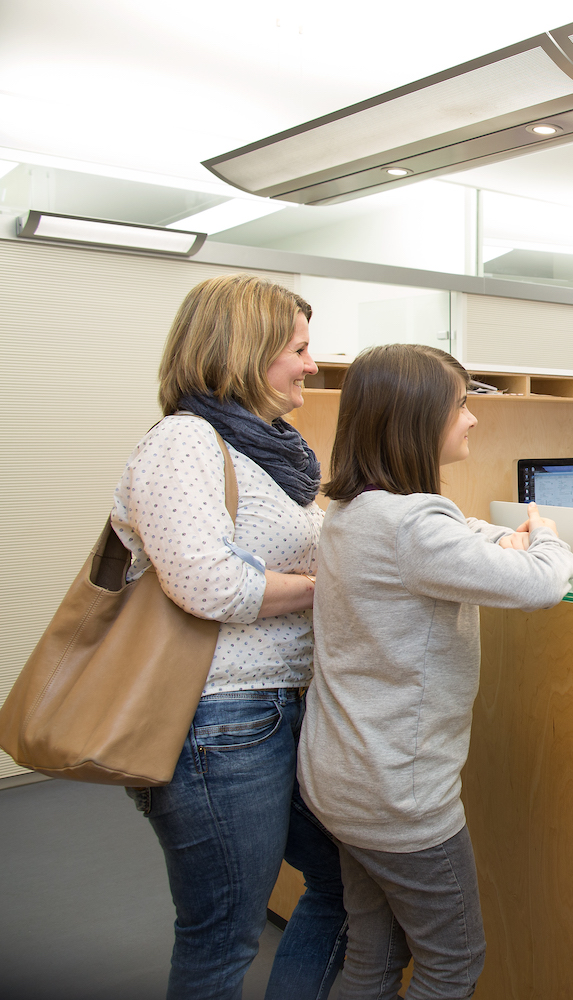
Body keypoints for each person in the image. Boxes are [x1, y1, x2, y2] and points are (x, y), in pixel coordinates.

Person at [299, 343, 573, 999]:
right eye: (460, 405)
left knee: (373, 956)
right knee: (452, 964)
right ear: (417, 418)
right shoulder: (414, 526)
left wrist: (491, 537)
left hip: (342, 780)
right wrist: (545, 531)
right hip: (400, 798)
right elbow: (542, 583)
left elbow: (450, 532)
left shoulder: (355, 510)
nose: (472, 418)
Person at [112, 273, 347, 1000]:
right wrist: (326, 588)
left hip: (279, 709)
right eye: (298, 350)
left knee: (348, 888)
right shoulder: (184, 442)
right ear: (244, 350)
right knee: (222, 941)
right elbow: (211, 584)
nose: (312, 365)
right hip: (220, 721)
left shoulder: (267, 453)